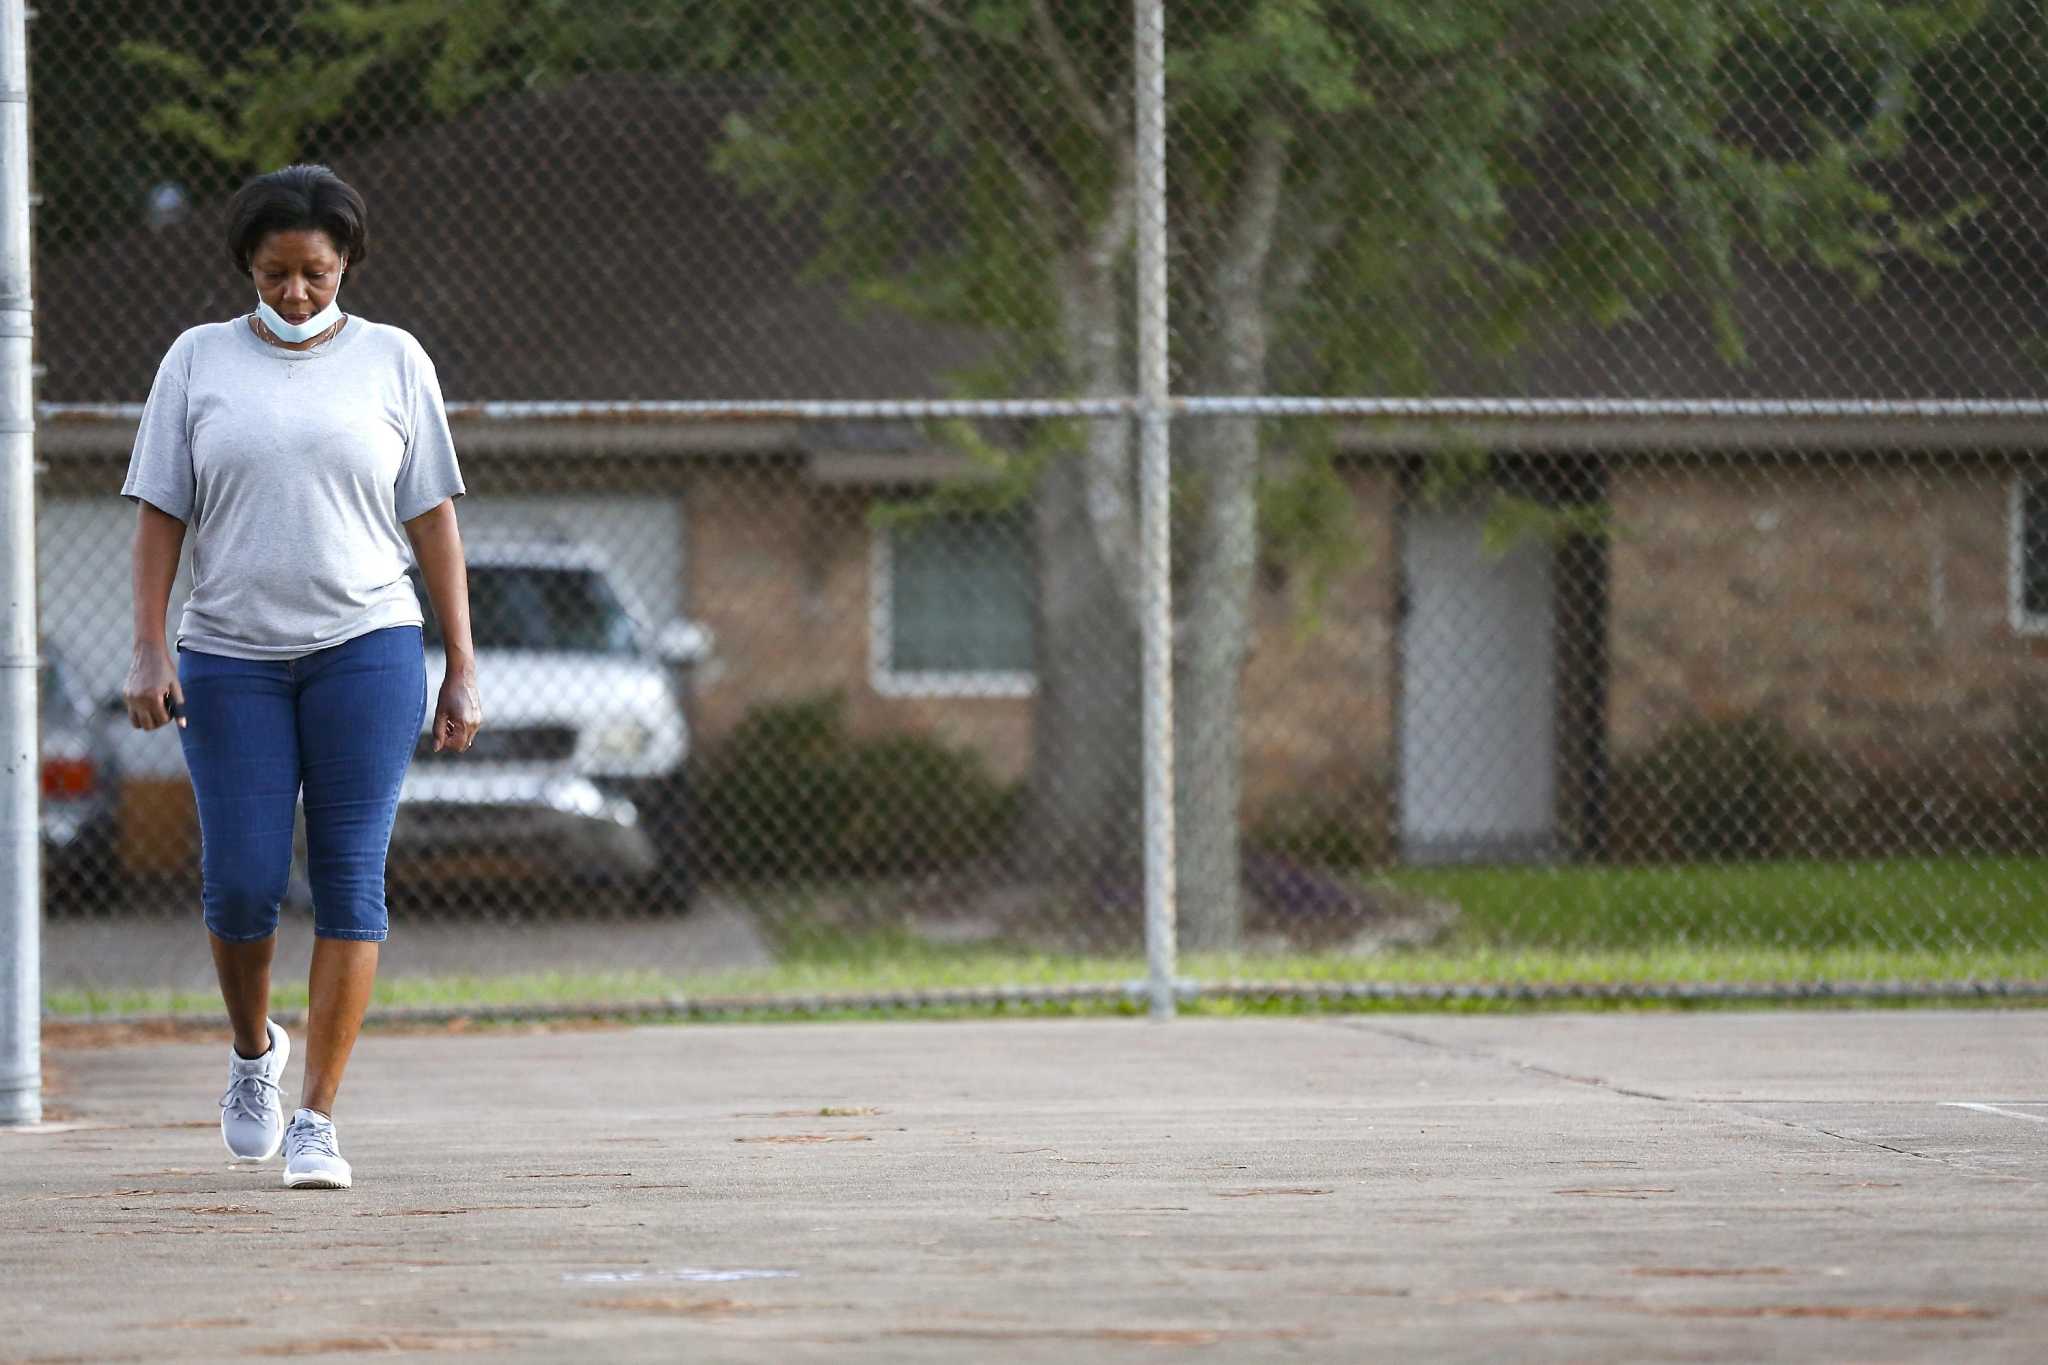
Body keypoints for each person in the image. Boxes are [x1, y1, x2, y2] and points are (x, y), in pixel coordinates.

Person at [121, 164, 480, 1190]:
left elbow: (433, 518)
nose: (294, 294)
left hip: (364, 647)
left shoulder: (393, 361)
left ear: (346, 265)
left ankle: (317, 1116)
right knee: (240, 885)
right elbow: (158, 513)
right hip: (229, 653)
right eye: (276, 274)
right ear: (247, 265)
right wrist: (149, 646)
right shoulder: (196, 362)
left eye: (315, 275)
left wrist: (460, 660)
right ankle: (252, 1058)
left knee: (349, 879)